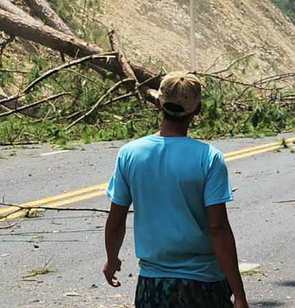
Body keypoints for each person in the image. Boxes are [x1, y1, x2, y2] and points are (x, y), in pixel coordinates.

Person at [104, 72, 249, 308]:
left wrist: (112, 260)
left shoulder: (130, 154)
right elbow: (218, 228)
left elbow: (116, 220)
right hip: (204, 284)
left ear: (158, 104)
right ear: (197, 109)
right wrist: (239, 295)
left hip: (152, 285)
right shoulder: (208, 158)